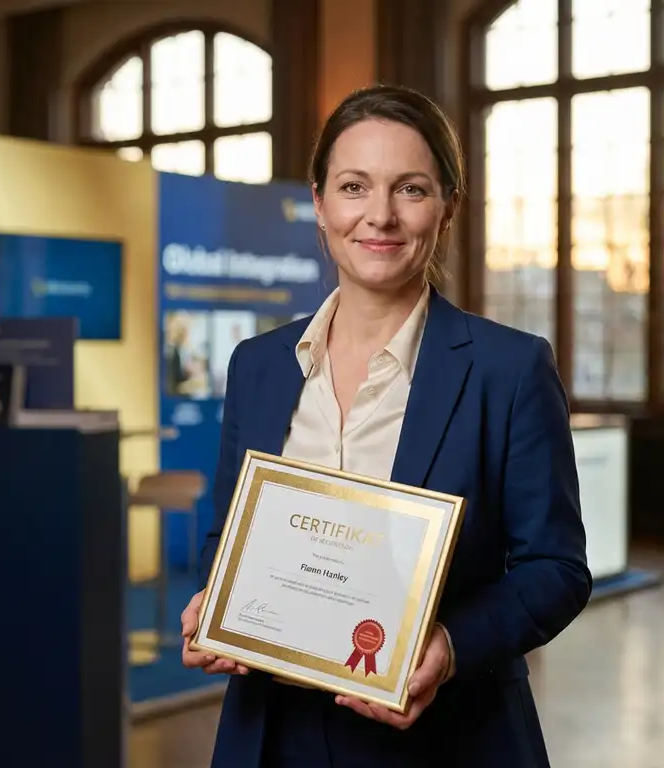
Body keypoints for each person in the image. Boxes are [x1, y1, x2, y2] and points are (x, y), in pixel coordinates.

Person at [180, 85, 591, 767]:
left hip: (448, 739)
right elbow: (229, 534)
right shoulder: (257, 365)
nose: (380, 216)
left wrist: (449, 647)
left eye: (411, 189)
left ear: (448, 207)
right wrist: (213, 602)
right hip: (269, 733)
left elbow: (556, 569)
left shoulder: (509, 369)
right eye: (353, 186)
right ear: (317, 202)